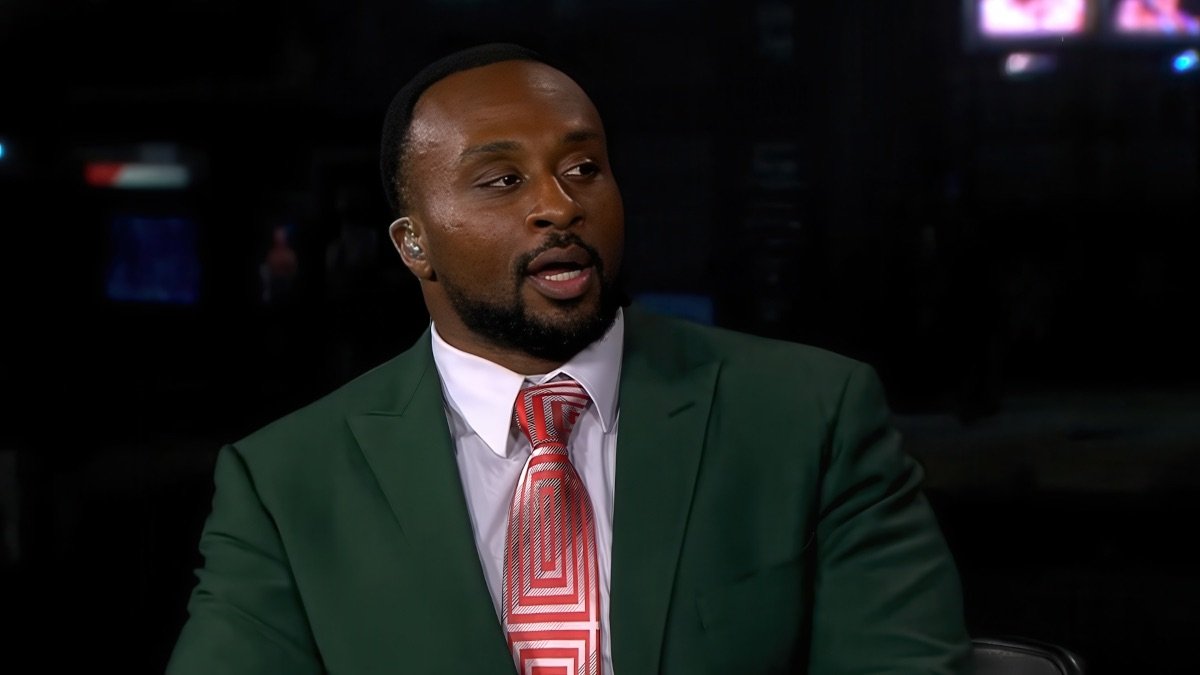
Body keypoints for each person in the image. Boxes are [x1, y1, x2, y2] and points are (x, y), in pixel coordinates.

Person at [168, 43, 971, 674]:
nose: (559, 204)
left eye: (584, 168)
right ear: (415, 245)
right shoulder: (285, 483)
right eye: (502, 180)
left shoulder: (810, 414)